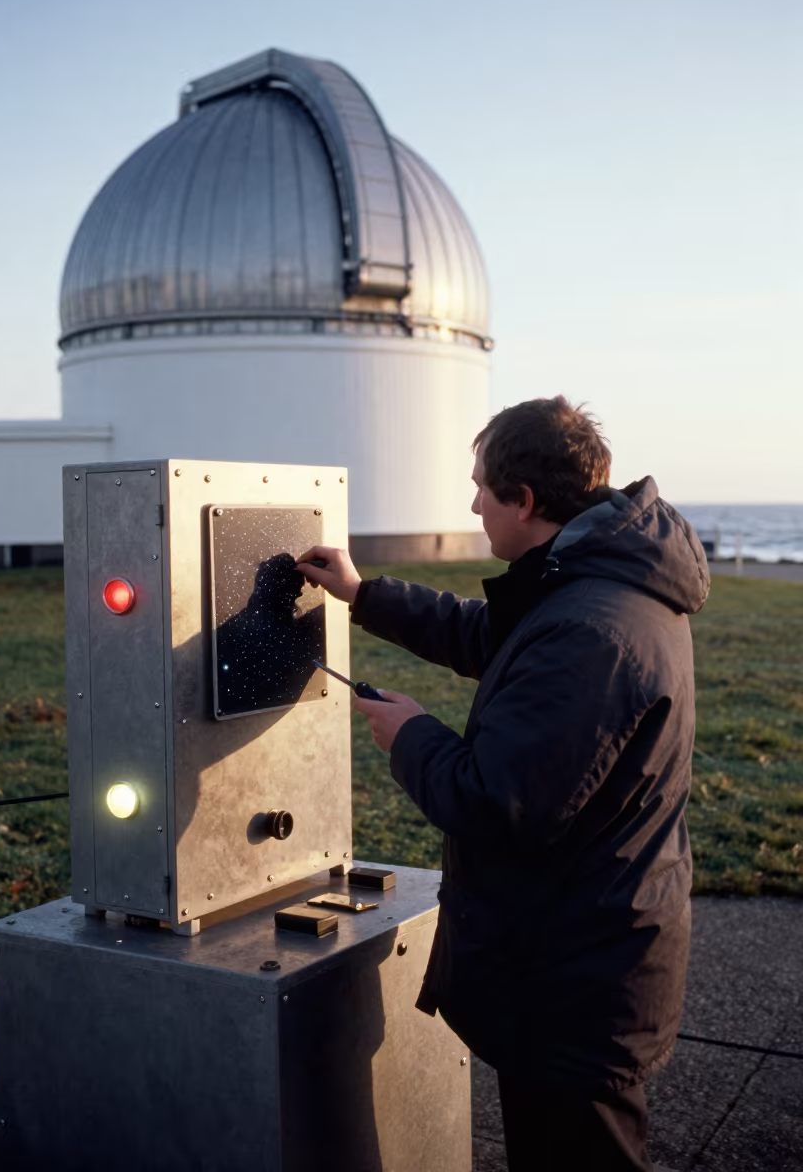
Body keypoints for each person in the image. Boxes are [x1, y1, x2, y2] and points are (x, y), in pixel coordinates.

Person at [296, 396, 709, 1172]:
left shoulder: (592, 629)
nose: (472, 503)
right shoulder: (584, 580)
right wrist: (364, 593)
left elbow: (496, 802)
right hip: (579, 957)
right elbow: (487, 634)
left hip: (576, 986)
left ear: (525, 501)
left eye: (483, 487)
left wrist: (411, 733)